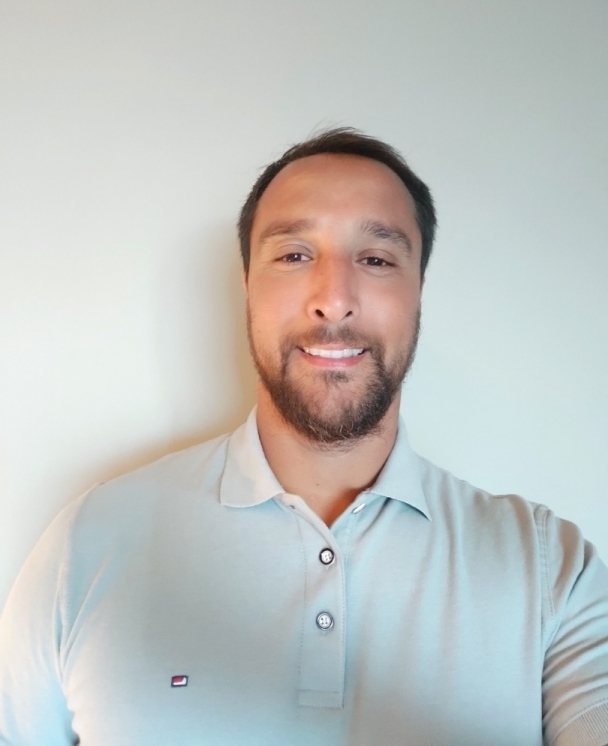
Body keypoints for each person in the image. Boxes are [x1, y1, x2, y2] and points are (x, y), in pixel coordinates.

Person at [1, 128, 607, 746]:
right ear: (247, 287)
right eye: (293, 255)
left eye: (376, 259)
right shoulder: (89, 545)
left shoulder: (548, 567)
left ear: (418, 292)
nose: (334, 300)